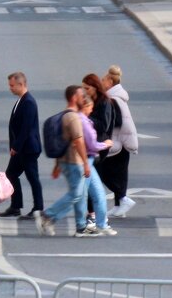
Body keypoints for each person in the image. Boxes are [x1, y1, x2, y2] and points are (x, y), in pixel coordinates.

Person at [38, 85, 91, 237]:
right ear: (74, 97)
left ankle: (81, 226)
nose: (83, 98)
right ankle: (48, 215)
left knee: (80, 194)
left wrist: (57, 165)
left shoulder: (63, 115)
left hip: (65, 161)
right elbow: (78, 141)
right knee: (76, 194)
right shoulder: (73, 117)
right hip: (75, 162)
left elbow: (63, 141)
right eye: (81, 95)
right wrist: (86, 163)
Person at [0, 72, 44, 220]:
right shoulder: (21, 100)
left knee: (33, 178)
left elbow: (26, 128)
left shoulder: (29, 102)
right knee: (10, 175)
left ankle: (38, 208)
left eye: (12, 85)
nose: (10, 88)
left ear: (21, 84)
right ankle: (16, 206)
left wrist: (16, 147)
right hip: (22, 148)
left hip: (28, 148)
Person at [77, 94, 118, 235]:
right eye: (90, 107)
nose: (91, 110)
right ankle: (50, 216)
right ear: (86, 107)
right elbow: (92, 145)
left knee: (94, 194)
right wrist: (105, 144)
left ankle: (99, 224)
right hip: (86, 160)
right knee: (80, 195)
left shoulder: (80, 120)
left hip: (86, 160)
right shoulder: (84, 121)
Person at [102, 66, 138, 218]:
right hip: (123, 141)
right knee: (120, 174)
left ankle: (123, 199)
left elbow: (115, 123)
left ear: (110, 82)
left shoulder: (113, 100)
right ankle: (119, 205)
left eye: (103, 80)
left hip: (118, 142)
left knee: (101, 171)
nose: (102, 82)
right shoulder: (117, 97)